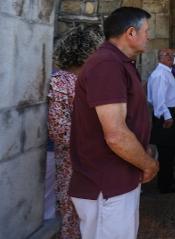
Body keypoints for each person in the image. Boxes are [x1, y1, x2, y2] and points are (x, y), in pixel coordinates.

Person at [69, 7, 158, 239]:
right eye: (146, 30)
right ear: (131, 33)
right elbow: (116, 134)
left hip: (118, 180)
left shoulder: (119, 63)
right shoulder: (107, 65)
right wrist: (148, 164)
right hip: (106, 184)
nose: (149, 36)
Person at [48, 25, 104, 238]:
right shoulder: (61, 81)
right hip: (75, 165)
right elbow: (59, 129)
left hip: (97, 164)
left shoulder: (93, 81)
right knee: (75, 217)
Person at [147, 48, 175, 193]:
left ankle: (170, 178)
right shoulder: (160, 74)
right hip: (166, 115)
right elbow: (158, 99)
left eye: (172, 55)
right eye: (167, 55)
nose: (171, 57)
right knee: (166, 152)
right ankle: (165, 184)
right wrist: (167, 116)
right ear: (160, 57)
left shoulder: (167, 72)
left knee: (170, 150)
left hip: (172, 113)